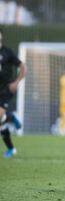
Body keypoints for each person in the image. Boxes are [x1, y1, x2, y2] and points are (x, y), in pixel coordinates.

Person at [0, 29, 26, 158]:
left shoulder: (7, 52)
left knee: (0, 115)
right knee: (1, 122)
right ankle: (11, 148)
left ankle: (9, 116)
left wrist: (16, 82)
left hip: (6, 89)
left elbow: (23, 67)